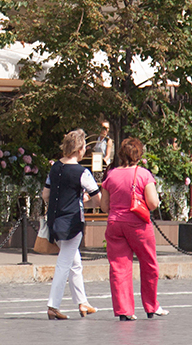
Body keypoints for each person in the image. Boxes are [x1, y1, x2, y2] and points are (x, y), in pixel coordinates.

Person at [100, 137, 168, 321]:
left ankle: (125, 310)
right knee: (149, 265)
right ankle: (151, 305)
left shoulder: (111, 175)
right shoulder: (144, 174)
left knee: (119, 267)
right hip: (138, 223)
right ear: (139, 155)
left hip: (115, 224)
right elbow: (153, 203)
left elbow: (104, 206)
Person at [43, 129, 99, 320]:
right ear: (80, 149)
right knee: (64, 263)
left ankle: (82, 302)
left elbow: (45, 195)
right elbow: (97, 199)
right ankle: (53, 305)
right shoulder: (82, 172)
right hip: (72, 222)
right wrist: (83, 201)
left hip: (55, 220)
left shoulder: (55, 168)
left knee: (75, 263)